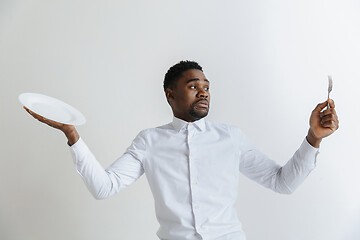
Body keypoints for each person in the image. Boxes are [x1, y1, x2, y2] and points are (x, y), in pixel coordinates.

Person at [24, 60, 339, 240]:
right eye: (193, 85)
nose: (203, 91)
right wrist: (72, 134)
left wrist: (314, 138)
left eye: (206, 86)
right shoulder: (148, 141)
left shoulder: (231, 137)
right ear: (170, 94)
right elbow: (104, 188)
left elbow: (283, 182)